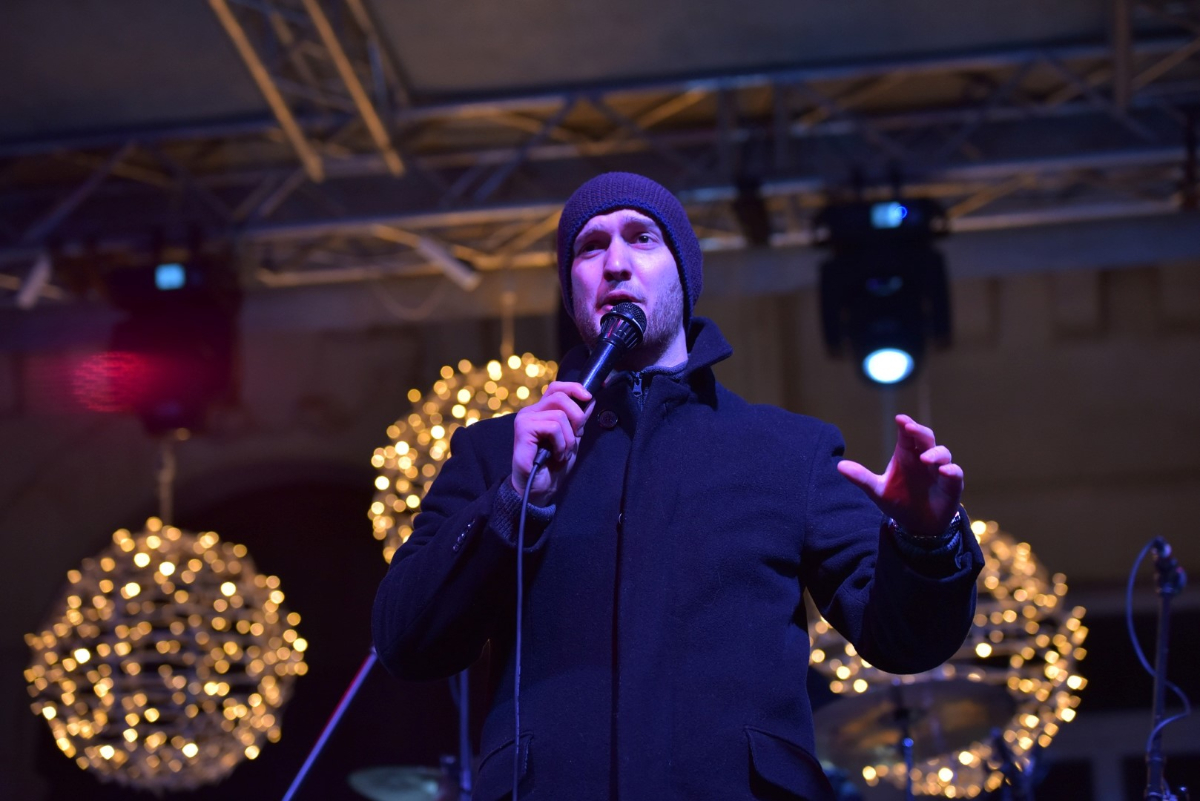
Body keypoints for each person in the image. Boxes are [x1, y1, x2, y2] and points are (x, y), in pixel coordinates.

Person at [372, 172, 985, 801]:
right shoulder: (499, 451)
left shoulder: (786, 451)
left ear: (684, 275)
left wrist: (925, 540)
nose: (615, 263)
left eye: (642, 238)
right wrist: (511, 502)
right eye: (590, 247)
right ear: (570, 288)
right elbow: (405, 641)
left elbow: (905, 641)